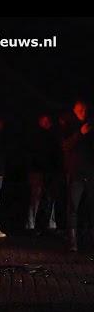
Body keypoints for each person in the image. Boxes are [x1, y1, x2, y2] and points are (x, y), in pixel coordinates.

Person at [60, 100, 94, 251]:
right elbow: (66, 146)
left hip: (90, 172)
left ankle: (88, 239)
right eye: (80, 109)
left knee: (90, 207)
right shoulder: (69, 125)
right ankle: (72, 242)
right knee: (73, 207)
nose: (83, 112)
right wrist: (80, 133)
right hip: (76, 173)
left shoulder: (90, 124)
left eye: (85, 109)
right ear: (75, 109)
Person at [24, 113, 62, 233]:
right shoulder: (36, 135)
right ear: (40, 121)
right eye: (45, 121)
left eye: (48, 121)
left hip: (48, 171)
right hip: (37, 171)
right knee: (36, 197)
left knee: (50, 197)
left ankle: (50, 223)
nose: (47, 123)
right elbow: (35, 154)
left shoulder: (51, 135)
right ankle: (31, 223)